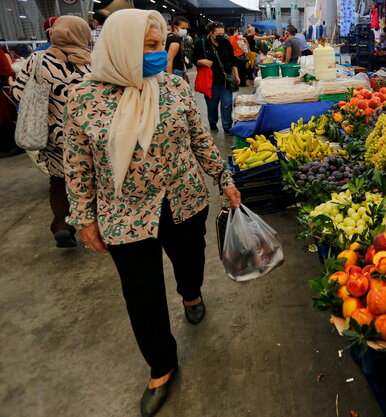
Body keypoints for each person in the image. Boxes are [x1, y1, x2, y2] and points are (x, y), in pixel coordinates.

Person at [63, 9, 241, 417]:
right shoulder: (84, 99)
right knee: (141, 294)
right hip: (124, 214)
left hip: (183, 199)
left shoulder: (175, 89)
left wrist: (223, 178)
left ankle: (191, 292)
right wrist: (84, 218)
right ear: (120, 47)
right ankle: (161, 366)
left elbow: (200, 139)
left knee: (191, 260)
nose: (159, 54)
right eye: (150, 47)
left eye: (160, 45)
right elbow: (77, 166)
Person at [11, 16, 91, 247]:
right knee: (92, 179)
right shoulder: (91, 61)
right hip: (88, 135)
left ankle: (63, 225)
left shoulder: (37, 59)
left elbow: (19, 94)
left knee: (59, 182)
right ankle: (96, 226)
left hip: (54, 136)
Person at [193, 21, 239, 135]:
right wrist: (201, 61)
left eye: (222, 33)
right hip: (210, 80)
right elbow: (194, 59)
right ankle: (212, 123)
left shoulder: (226, 43)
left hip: (226, 79)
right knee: (212, 104)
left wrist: (236, 75)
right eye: (218, 34)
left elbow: (233, 60)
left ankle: (227, 126)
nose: (221, 36)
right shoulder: (201, 44)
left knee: (227, 103)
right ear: (211, 34)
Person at [165, 16, 189, 80]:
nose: (185, 31)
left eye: (186, 28)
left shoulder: (168, 37)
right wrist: (169, 78)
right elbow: (169, 59)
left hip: (173, 70)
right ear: (175, 27)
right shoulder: (175, 41)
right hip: (175, 72)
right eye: (183, 28)